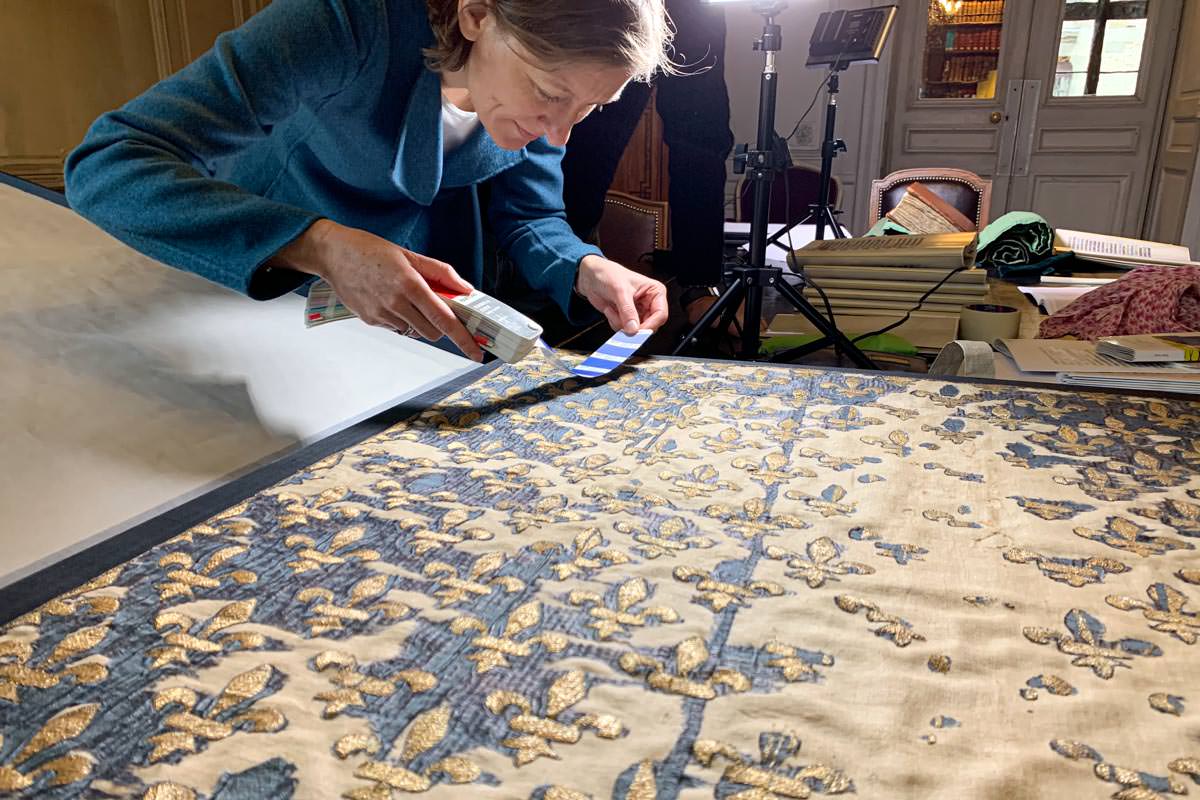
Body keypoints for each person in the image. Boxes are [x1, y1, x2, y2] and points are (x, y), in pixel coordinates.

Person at [65, 0, 672, 363]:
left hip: (416, 343)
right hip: (255, 310)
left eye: (591, 108)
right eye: (550, 95)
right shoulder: (343, 22)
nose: (560, 134)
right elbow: (108, 162)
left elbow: (531, 217)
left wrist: (584, 267)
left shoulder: (543, 111)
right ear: (476, 16)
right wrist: (320, 244)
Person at [560, 0, 734, 329]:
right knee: (583, 130)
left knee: (701, 136)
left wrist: (702, 280)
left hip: (687, 9)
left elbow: (702, 143)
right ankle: (561, 261)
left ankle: (700, 286)